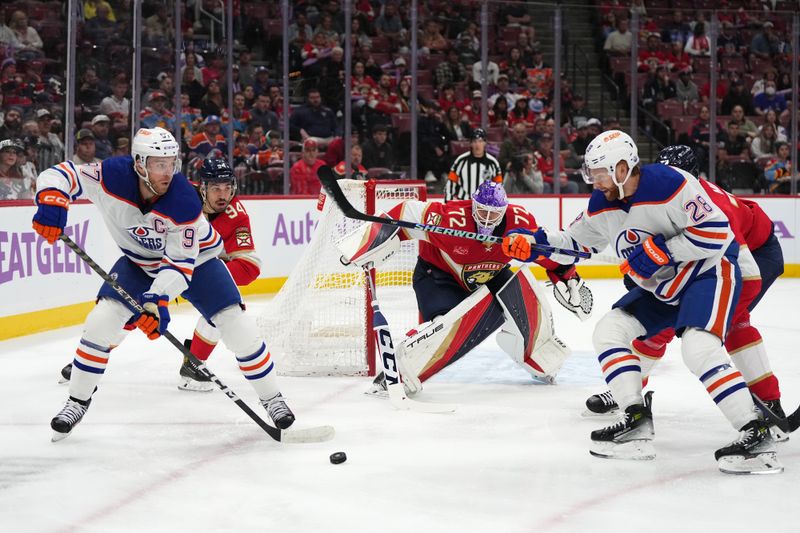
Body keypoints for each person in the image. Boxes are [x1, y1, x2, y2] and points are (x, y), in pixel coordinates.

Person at [502, 131, 782, 474]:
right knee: (609, 331)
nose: (596, 181)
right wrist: (534, 245)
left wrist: (664, 251)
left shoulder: (671, 184)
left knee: (698, 346)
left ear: (622, 167)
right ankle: (635, 420)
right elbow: (575, 243)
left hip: (706, 275)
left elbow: (717, 233)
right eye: (592, 174)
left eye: (600, 173)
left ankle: (755, 432)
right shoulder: (601, 203)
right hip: (662, 288)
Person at [36, 128, 295, 440]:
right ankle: (77, 401)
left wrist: (155, 301)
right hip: (139, 263)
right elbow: (61, 174)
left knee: (236, 325)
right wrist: (52, 201)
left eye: (172, 162)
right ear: (140, 163)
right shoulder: (112, 175)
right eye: (159, 164)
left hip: (198, 262)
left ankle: (272, 398)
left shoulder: (184, 201)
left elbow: (179, 265)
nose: (167, 171)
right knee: (100, 323)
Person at [584, 145, 788, 441]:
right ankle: (628, 391)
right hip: (706, 257)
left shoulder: (708, 205)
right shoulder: (656, 193)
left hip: (755, 254)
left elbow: (746, 274)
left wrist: (698, 315)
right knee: (658, 323)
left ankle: (769, 401)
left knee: (729, 325)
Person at [343, 180, 586, 395]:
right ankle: (398, 372)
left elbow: (543, 251)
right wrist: (367, 241)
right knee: (443, 328)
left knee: (519, 285)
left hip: (489, 276)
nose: (487, 220)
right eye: (482, 212)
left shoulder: (520, 222)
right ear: (472, 205)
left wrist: (567, 274)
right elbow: (406, 213)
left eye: (494, 215)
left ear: (505, 211)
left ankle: (538, 355)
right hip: (439, 276)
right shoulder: (451, 217)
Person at [445, 128, 503, 201]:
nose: (477, 144)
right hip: (463, 202)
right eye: (474, 141)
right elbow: (451, 182)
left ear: (485, 143)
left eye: (480, 141)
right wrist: (448, 201)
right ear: (471, 143)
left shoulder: (493, 162)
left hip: (484, 205)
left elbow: (498, 186)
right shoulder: (461, 160)